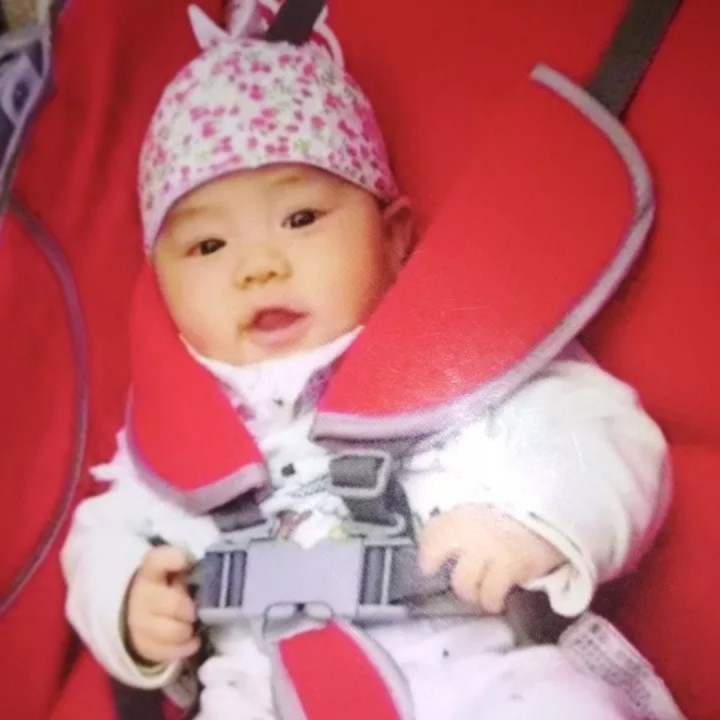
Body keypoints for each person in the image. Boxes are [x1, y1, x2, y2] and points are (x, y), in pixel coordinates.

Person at [61, 2, 679, 718]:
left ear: (393, 237)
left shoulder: (456, 358)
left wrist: (535, 523)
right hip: (262, 694)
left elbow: (604, 437)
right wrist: (126, 601)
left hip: (475, 678)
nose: (258, 267)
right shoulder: (170, 432)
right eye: (207, 246)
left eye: (301, 219)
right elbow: (99, 538)